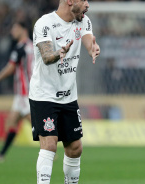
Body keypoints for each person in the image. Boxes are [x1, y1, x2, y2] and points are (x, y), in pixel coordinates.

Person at [29, 0, 100, 183]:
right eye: (83, 0)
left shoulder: (83, 20)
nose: (87, 4)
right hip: (44, 94)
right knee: (50, 144)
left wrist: (93, 49)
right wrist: (58, 53)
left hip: (68, 95)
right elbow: (46, 56)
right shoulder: (44, 23)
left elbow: (88, 41)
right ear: (70, 1)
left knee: (75, 147)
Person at [0, 21, 34, 162]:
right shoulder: (32, 46)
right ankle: (1, 154)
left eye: (15, 28)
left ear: (23, 29)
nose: (12, 32)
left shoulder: (20, 48)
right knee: (12, 122)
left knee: (36, 125)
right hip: (26, 92)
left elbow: (11, 68)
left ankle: (50, 148)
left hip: (24, 93)